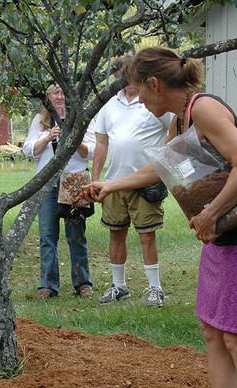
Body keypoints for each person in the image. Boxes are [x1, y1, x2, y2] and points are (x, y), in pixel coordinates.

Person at [83, 47, 237, 388]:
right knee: (214, 331)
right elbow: (165, 167)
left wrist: (208, 214)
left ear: (154, 84)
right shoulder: (181, 118)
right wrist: (111, 184)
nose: (137, 100)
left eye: (137, 90)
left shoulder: (205, 109)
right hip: (221, 235)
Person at [93, 58, 173, 307]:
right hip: (113, 182)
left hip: (145, 181)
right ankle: (119, 286)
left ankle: (155, 289)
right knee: (116, 233)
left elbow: (175, 133)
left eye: (130, 74)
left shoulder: (152, 100)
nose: (126, 80)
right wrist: (96, 179)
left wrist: (164, 166)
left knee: (147, 236)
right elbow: (102, 142)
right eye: (120, 74)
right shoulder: (109, 105)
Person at [23, 83, 95, 298]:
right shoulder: (40, 120)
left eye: (63, 92)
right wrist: (48, 137)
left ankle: (83, 284)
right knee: (47, 236)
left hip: (74, 184)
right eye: (56, 92)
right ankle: (48, 285)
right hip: (47, 185)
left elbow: (91, 151)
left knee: (76, 235)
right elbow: (29, 150)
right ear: (48, 98)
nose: (60, 96)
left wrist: (72, 137)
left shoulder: (81, 119)